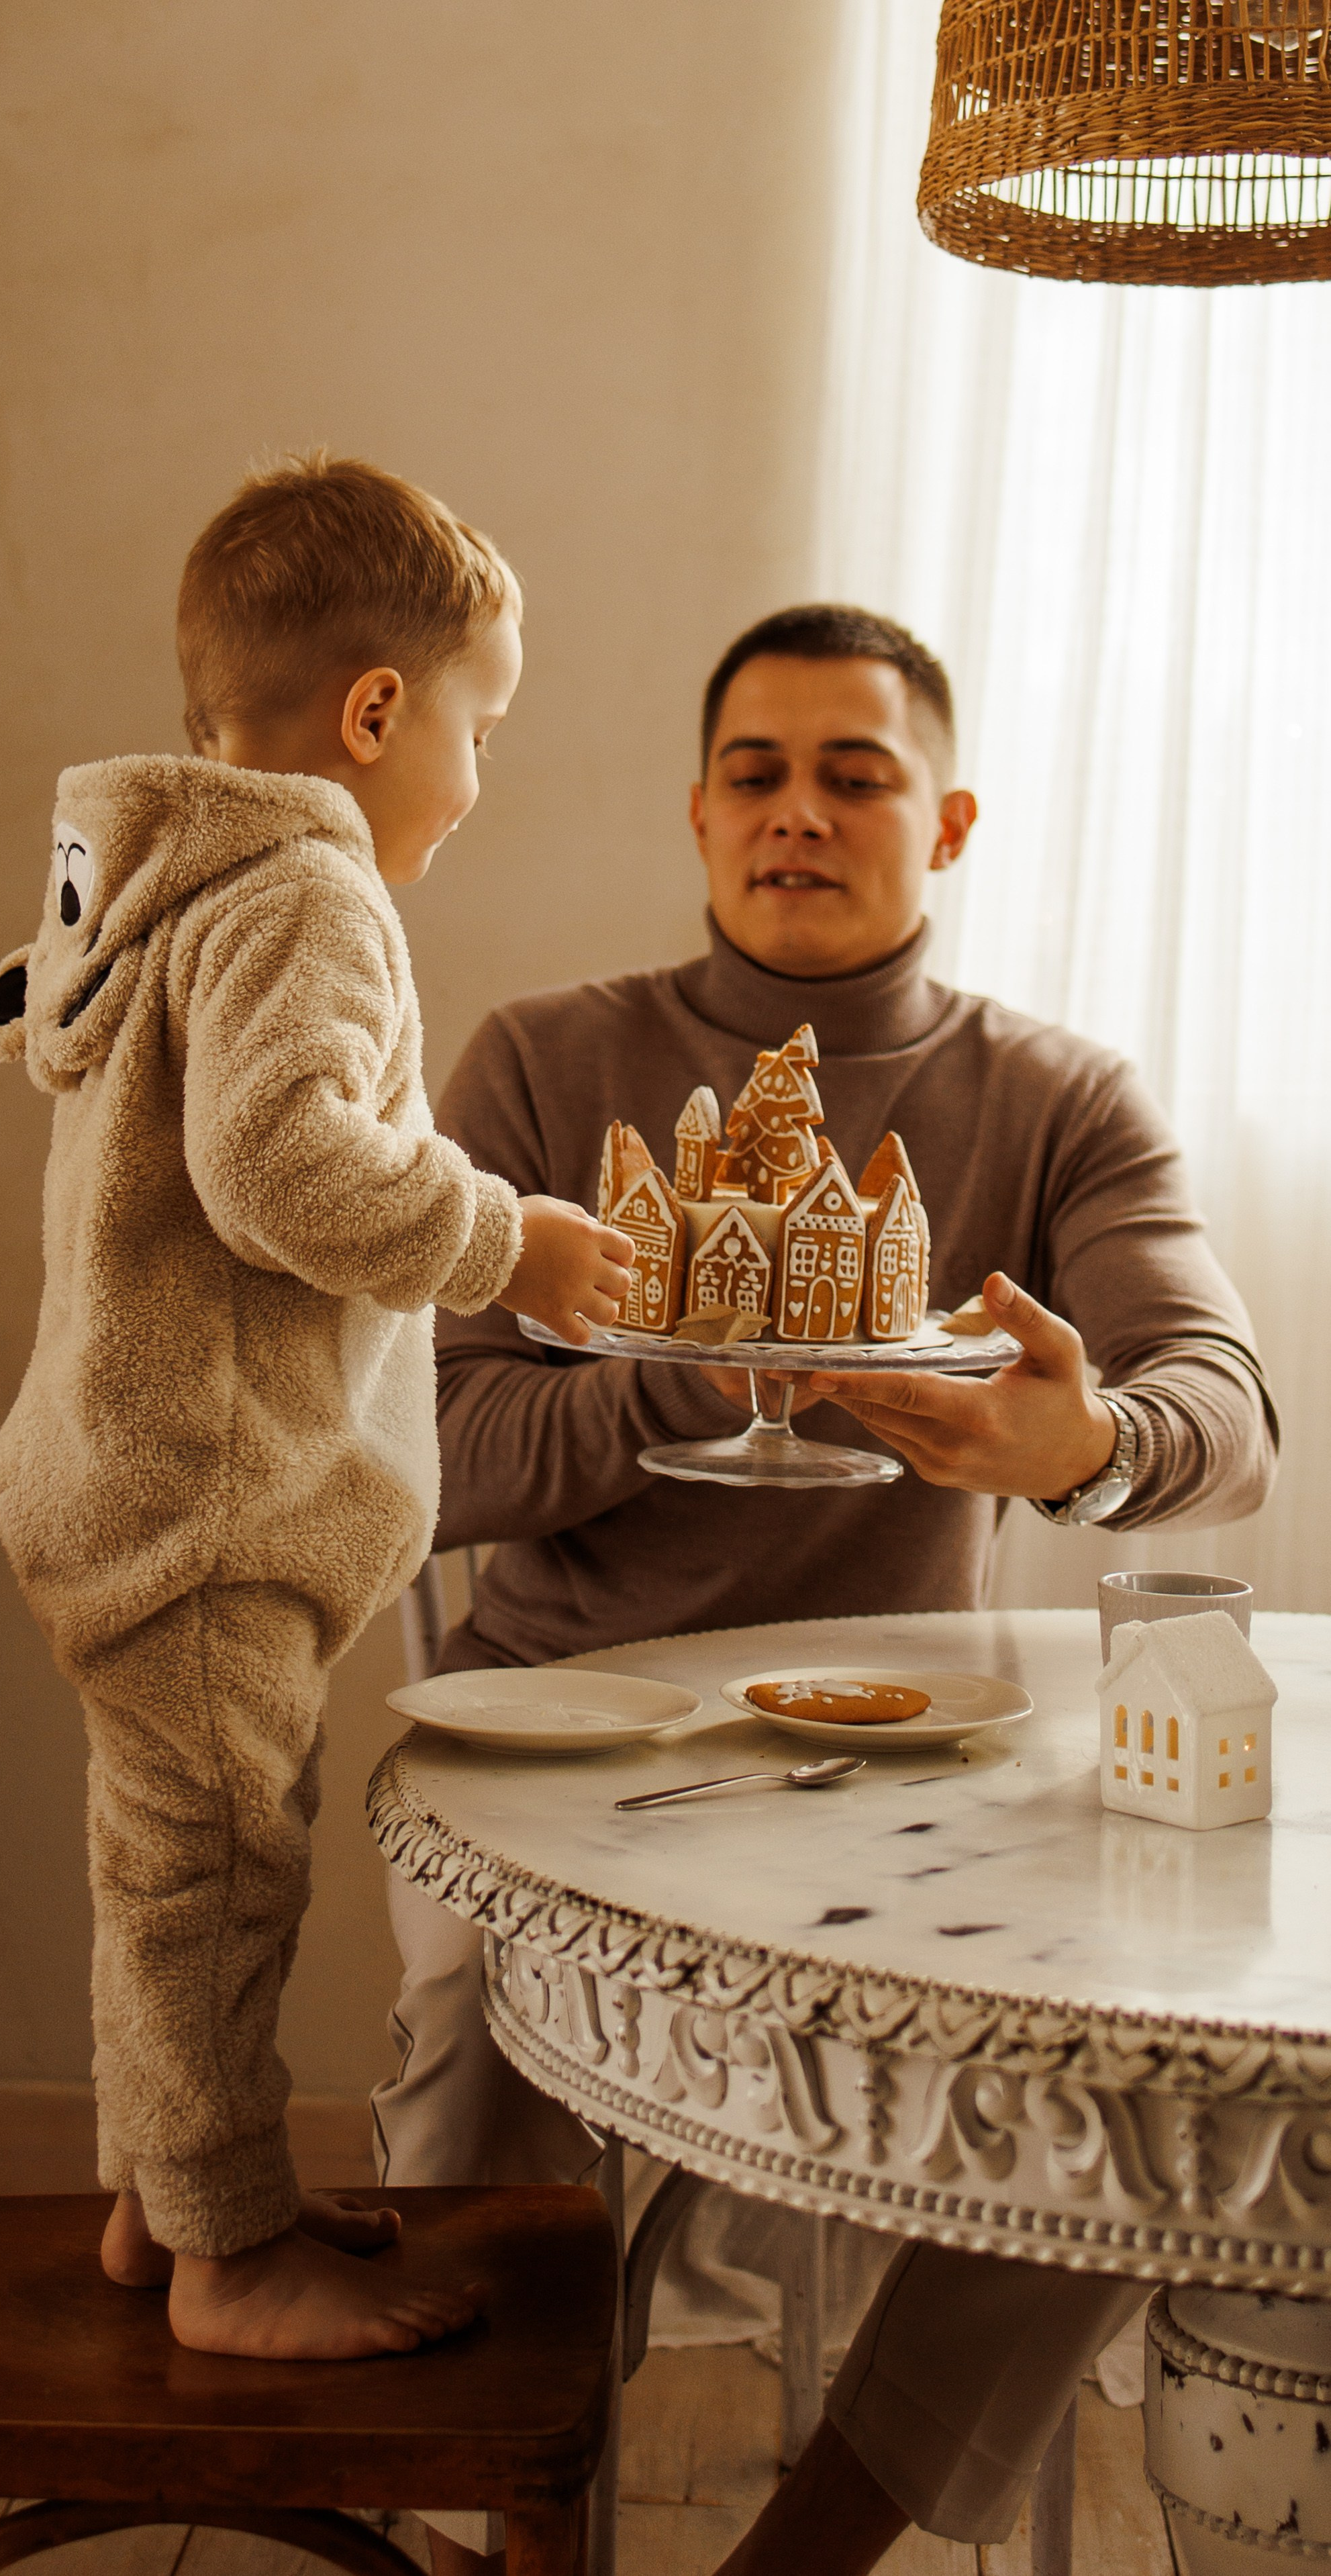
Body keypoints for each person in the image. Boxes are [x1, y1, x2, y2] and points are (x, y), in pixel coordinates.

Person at [374, 604, 1276, 2567]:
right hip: (557, 1741)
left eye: (854, 775)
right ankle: (490, 2537)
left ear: (943, 826)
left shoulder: (1058, 1100)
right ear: (698, 817)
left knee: (1123, 2095)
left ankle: (815, 2551)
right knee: (473, 2070)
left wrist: (1087, 1449)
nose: (802, 813)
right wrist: (688, 1372)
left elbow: (1228, 1405)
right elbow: (418, 1461)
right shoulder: (543, 1069)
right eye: (759, 775)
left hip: (911, 1765)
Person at [0, 455, 633, 2362]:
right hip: (201, 1500)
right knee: (217, 1874)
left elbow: (90, 1055)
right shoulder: (308, 896)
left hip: (146, 1479)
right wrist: (512, 1242)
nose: (480, 776)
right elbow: (280, 1167)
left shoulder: (171, 890)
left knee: (172, 1862)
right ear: (377, 714)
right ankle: (225, 2263)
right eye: (480, 728)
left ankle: (167, 2197)